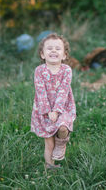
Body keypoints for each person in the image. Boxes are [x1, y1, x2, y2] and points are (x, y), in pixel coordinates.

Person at [31, 33, 76, 169]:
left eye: (57, 48)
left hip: (63, 107)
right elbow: (40, 92)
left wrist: (56, 110)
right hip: (44, 110)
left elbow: (64, 91)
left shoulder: (66, 70)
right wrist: (47, 111)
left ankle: (62, 142)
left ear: (64, 55)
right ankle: (49, 167)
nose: (53, 51)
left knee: (63, 127)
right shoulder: (39, 71)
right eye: (49, 48)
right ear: (42, 54)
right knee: (49, 143)